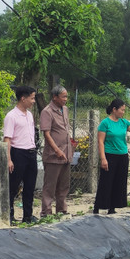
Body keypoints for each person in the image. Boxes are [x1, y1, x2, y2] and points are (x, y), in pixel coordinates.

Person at [3, 85, 38, 224]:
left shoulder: (29, 114)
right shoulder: (11, 116)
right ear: (23, 98)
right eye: (32, 98)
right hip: (18, 153)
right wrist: (9, 159)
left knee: (30, 186)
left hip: (31, 153)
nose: (33, 101)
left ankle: (27, 216)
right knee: (13, 187)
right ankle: (9, 216)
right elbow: (7, 139)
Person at [40, 85, 73, 217]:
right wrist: (57, 150)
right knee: (50, 186)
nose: (66, 99)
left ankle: (61, 211)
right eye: (63, 96)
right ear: (55, 97)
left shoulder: (65, 109)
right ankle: (46, 212)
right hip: (54, 156)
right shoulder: (47, 112)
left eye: (66, 96)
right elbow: (47, 134)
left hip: (66, 153)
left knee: (64, 186)